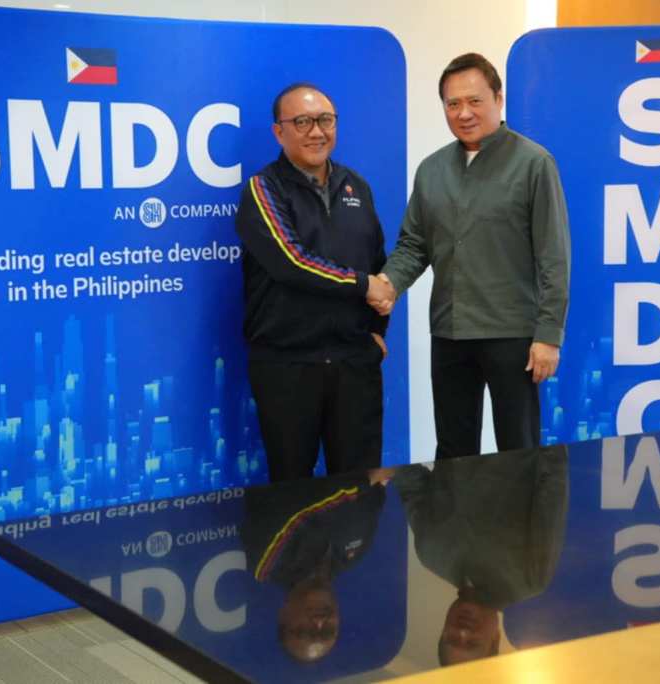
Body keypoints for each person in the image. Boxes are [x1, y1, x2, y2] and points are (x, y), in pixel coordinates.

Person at [374, 53, 571, 459]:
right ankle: (457, 507)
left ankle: (520, 508)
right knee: (453, 450)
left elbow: (554, 257)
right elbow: (414, 244)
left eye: (475, 101)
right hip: (449, 332)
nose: (463, 113)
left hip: (513, 335)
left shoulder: (534, 164)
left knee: (518, 450)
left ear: (499, 99)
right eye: (453, 104)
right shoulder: (431, 170)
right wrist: (389, 283)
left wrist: (548, 336)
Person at [235, 82, 394, 482]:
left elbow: (378, 263)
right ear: (279, 132)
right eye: (302, 122)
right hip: (289, 365)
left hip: (354, 364)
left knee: (361, 489)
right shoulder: (263, 189)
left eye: (325, 120)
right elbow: (291, 262)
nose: (317, 132)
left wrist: (377, 331)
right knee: (292, 491)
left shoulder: (357, 186)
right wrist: (362, 285)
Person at [392, 445, 569, 666]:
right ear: (495, 638)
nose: (463, 632)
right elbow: (553, 476)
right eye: (472, 643)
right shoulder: (530, 579)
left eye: (452, 639)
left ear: (443, 632)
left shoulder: (430, 554)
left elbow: (407, 479)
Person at [241, 470, 390, 662]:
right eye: (328, 631)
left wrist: (369, 477)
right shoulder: (355, 555)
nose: (319, 622)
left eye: (303, 630)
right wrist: (381, 474)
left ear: (283, 614)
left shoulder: (266, 565)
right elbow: (377, 492)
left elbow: (302, 505)